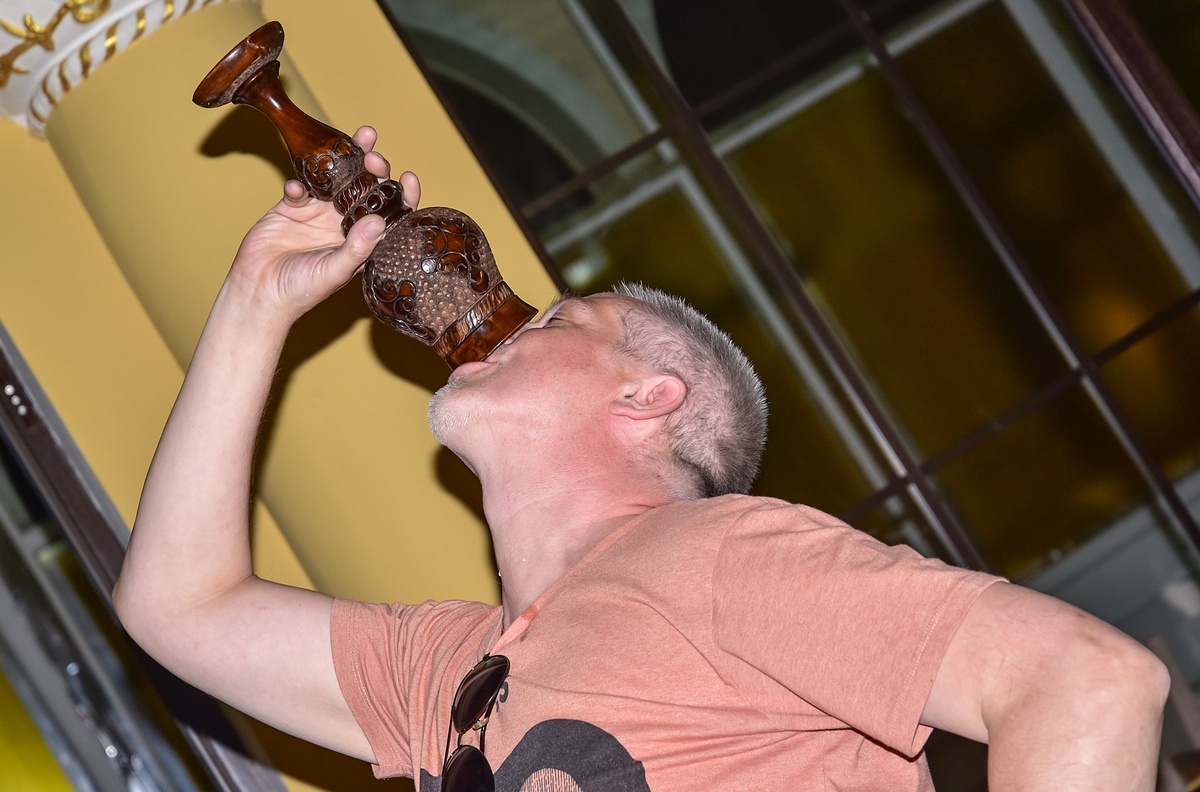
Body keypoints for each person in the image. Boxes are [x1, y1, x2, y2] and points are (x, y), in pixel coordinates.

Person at [114, 127, 1169, 791]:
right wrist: (255, 304)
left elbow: (1085, 680)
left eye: (554, 317)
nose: (492, 320)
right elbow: (177, 607)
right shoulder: (450, 676)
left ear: (648, 396)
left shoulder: (715, 558)